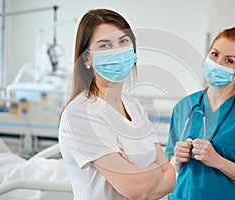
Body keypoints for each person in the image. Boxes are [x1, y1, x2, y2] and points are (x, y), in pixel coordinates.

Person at [58, 9, 175, 200]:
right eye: (105, 45)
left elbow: (170, 180)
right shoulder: (80, 114)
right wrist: (155, 169)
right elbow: (137, 189)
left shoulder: (134, 107)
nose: (118, 51)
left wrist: (144, 178)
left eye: (123, 41)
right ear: (87, 58)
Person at [165, 27, 235, 199]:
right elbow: (169, 167)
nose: (218, 64)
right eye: (215, 54)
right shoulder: (184, 106)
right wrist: (177, 159)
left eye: (229, 61)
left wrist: (218, 161)